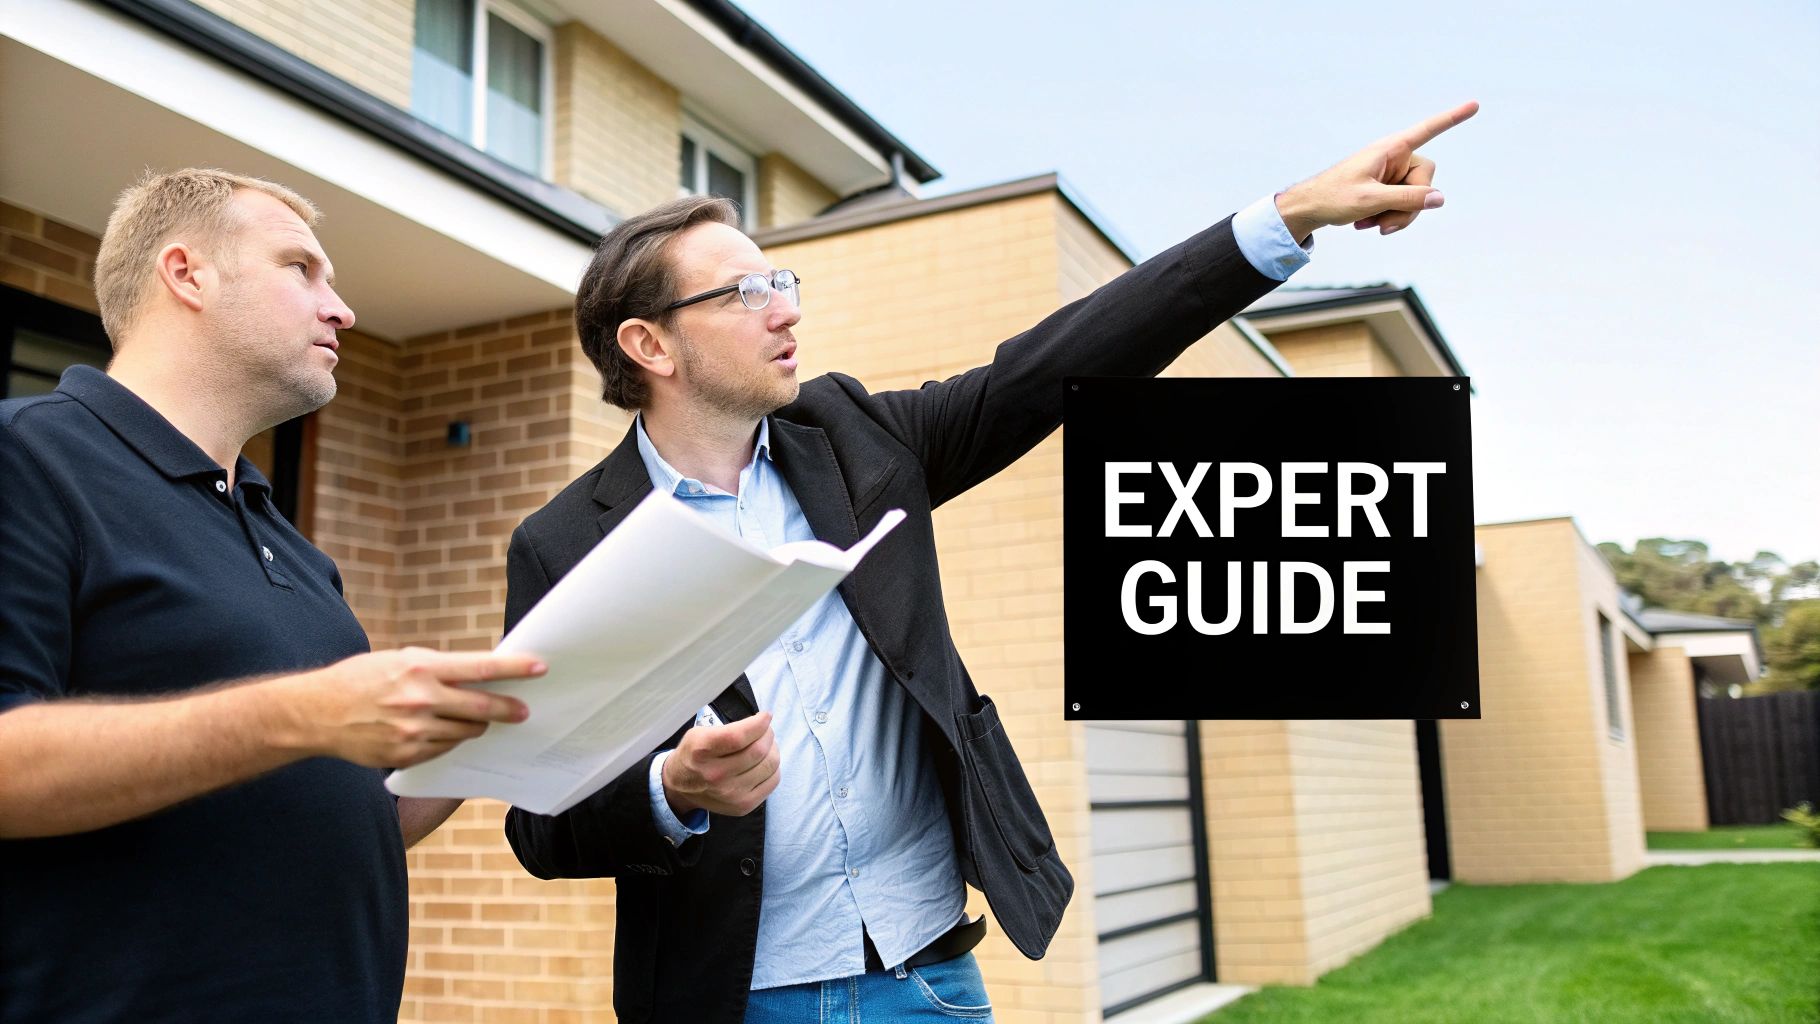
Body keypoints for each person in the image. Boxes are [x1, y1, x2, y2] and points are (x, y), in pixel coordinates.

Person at [503, 102, 1478, 1022]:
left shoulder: (857, 441)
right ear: (648, 344)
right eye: (745, 293)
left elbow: (1053, 365)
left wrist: (1288, 216)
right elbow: (541, 825)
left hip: (924, 980)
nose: (783, 312)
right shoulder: (565, 544)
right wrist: (671, 789)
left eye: (782, 283)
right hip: (729, 997)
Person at [0, 168, 544, 1024]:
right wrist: (305, 711)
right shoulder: (26, 459)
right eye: (302, 269)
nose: (343, 309)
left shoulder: (288, 544)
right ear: (187, 274)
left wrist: (494, 736)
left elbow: (334, 813)